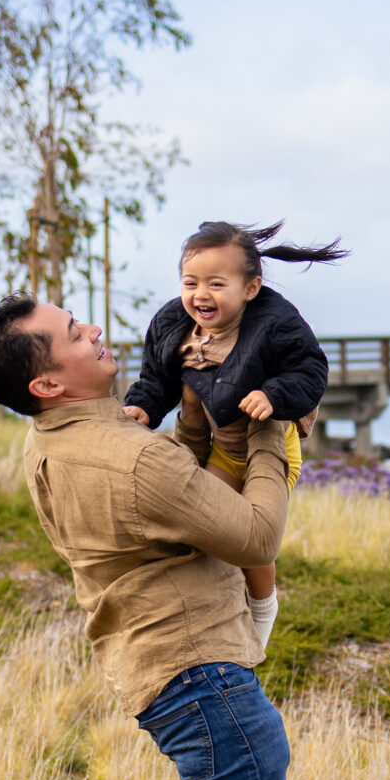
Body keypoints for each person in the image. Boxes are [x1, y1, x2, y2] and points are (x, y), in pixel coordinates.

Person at [0, 292, 294, 780]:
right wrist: (271, 430)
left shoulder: (49, 443)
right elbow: (259, 534)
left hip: (153, 671)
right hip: (201, 672)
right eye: (72, 334)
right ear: (47, 384)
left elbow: (167, 492)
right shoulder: (133, 458)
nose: (93, 330)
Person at [124, 220, 348, 648]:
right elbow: (157, 377)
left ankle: (264, 606)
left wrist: (273, 393)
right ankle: (216, 608)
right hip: (224, 449)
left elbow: (310, 368)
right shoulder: (173, 323)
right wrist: (144, 406)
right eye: (190, 282)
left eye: (216, 283)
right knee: (209, 525)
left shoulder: (274, 321)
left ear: (250, 288)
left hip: (269, 444)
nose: (200, 295)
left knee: (250, 537)